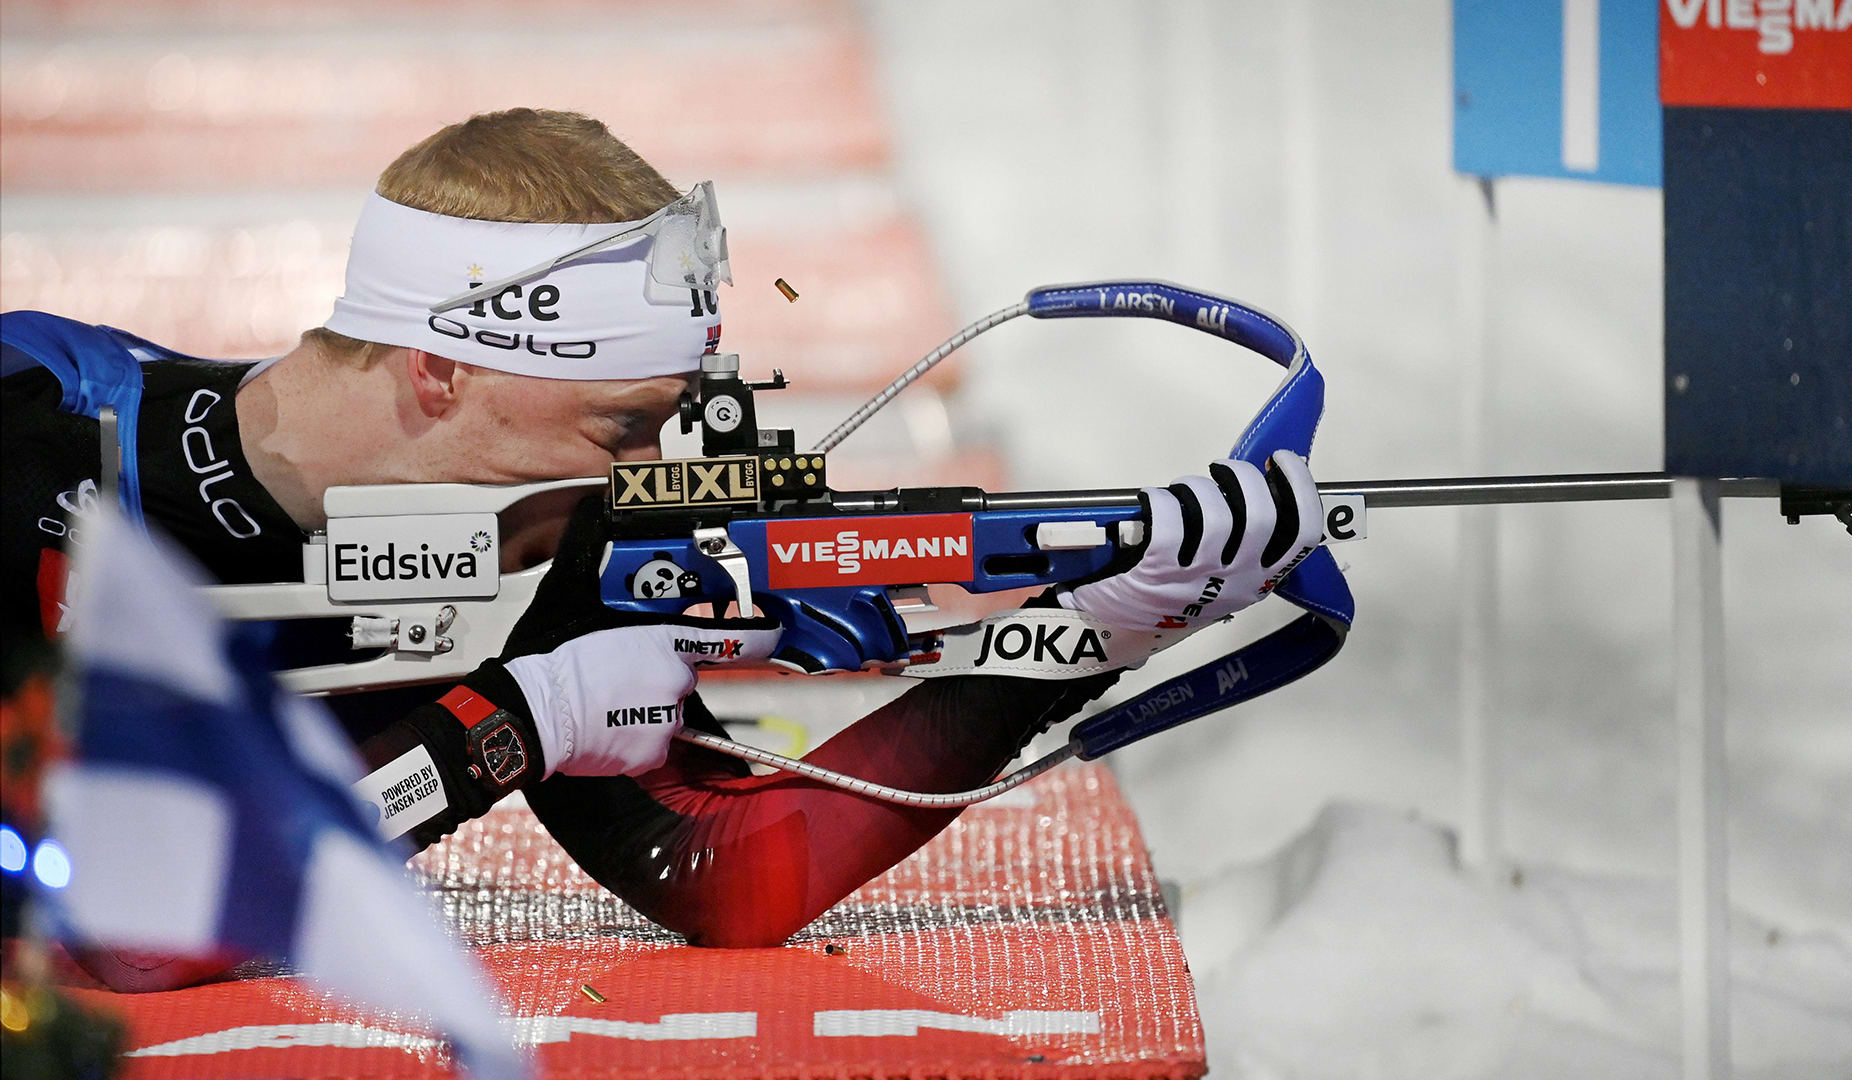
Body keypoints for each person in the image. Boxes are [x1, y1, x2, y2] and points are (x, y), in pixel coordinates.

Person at [0, 108, 1324, 988]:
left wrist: (1086, 636)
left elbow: (734, 876)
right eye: (620, 428)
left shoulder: (544, 540)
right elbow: (114, 925)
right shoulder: (37, 422)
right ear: (443, 369)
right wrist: (517, 723)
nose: (644, 480)